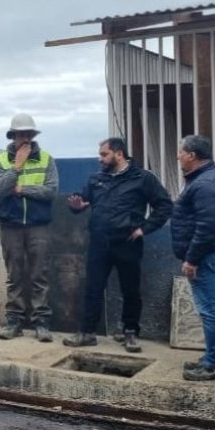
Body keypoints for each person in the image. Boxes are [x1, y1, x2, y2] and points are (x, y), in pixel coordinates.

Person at [63, 137, 172, 352]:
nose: (100, 159)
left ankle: (129, 332)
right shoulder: (96, 179)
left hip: (128, 242)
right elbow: (83, 201)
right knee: (93, 288)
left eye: (104, 154)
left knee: (130, 290)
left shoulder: (142, 178)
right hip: (99, 242)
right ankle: (87, 333)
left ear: (119, 154)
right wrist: (77, 206)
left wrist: (145, 228)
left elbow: (165, 205)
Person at [172, 135, 215, 381]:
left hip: (205, 255)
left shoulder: (204, 185)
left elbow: (206, 226)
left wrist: (192, 259)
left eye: (181, 152)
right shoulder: (210, 176)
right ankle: (213, 356)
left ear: (192, 156)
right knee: (211, 308)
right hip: (212, 251)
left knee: (210, 310)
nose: (178, 156)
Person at [0, 113, 58, 342]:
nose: (26, 139)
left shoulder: (47, 159)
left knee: (40, 274)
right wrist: (17, 167)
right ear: (13, 136)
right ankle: (15, 320)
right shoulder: (1, 161)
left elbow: (50, 191)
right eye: (21, 135)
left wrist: (22, 190)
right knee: (15, 275)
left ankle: (41, 322)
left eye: (29, 134)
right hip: (11, 225)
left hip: (38, 225)